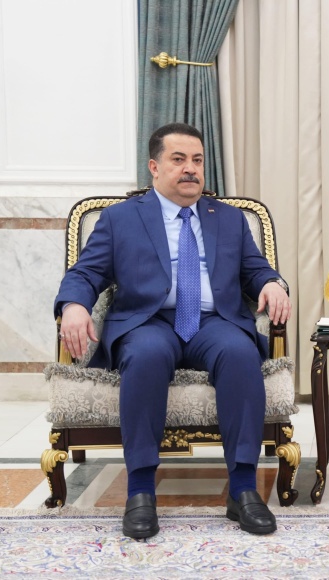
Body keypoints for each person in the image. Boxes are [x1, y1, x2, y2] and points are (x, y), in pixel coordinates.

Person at [54, 123, 291, 539]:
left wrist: (272, 283)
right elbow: (85, 273)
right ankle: (141, 493)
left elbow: (256, 270)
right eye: (178, 159)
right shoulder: (120, 218)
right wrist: (74, 305)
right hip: (148, 321)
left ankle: (243, 490)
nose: (190, 169)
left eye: (197, 160)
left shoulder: (229, 219)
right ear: (155, 167)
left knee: (240, 354)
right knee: (145, 355)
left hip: (213, 323)